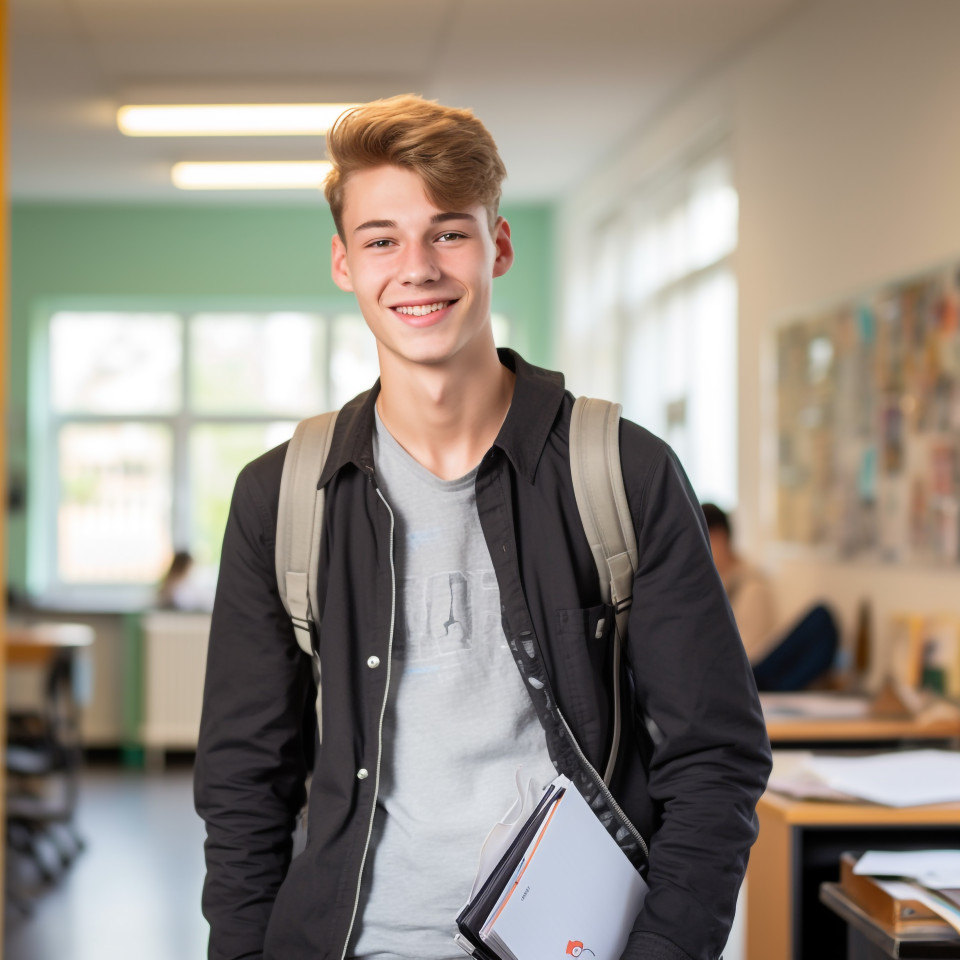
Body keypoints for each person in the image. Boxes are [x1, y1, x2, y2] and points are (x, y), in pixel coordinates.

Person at [195, 95, 771, 960]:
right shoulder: (282, 496)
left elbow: (716, 760)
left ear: (497, 245)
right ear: (344, 262)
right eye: (382, 238)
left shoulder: (623, 472)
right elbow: (244, 782)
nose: (417, 267)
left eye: (448, 232)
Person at [702, 502, 838, 691]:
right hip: (734, 673)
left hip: (748, 669)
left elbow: (748, 652)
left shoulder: (750, 585)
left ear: (719, 537)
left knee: (821, 618)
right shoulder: (715, 582)